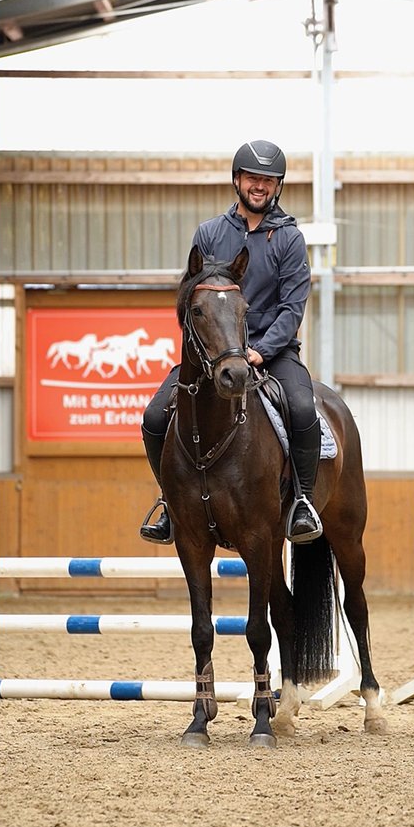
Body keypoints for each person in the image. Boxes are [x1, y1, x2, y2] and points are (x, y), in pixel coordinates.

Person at [139, 139, 323, 546]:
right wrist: (209, 350)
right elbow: (189, 299)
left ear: (277, 187)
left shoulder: (289, 239)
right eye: (253, 178)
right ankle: (170, 503)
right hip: (213, 356)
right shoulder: (209, 233)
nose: (260, 186)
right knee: (154, 417)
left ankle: (303, 504)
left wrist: (262, 349)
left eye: (268, 181)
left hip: (270, 353)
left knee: (303, 408)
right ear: (237, 180)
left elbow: (293, 307)